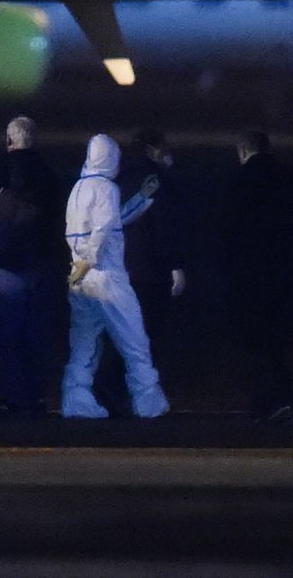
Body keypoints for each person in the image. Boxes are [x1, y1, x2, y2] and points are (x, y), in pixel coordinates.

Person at [61, 134, 169, 419]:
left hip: (80, 278)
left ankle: (75, 397)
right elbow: (106, 227)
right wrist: (90, 260)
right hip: (107, 277)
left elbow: (110, 221)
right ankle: (148, 400)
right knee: (135, 341)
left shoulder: (78, 188)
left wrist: (141, 199)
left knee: (84, 343)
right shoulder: (106, 188)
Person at [94, 127, 189, 412]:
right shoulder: (155, 181)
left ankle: (111, 392)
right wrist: (174, 265)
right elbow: (165, 224)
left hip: (121, 268)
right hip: (149, 270)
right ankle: (128, 394)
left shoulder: (119, 179)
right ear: (152, 148)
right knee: (146, 335)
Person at [0, 116, 61, 417]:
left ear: (10, 140)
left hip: (7, 267)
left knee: (7, 336)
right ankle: (35, 397)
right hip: (40, 264)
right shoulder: (49, 175)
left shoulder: (1, 171)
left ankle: (10, 397)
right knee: (35, 336)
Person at [221, 130, 293, 422]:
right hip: (284, 271)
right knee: (276, 341)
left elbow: (226, 233)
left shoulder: (236, 183)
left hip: (248, 276)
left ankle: (272, 401)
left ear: (243, 151)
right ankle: (272, 400)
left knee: (256, 342)